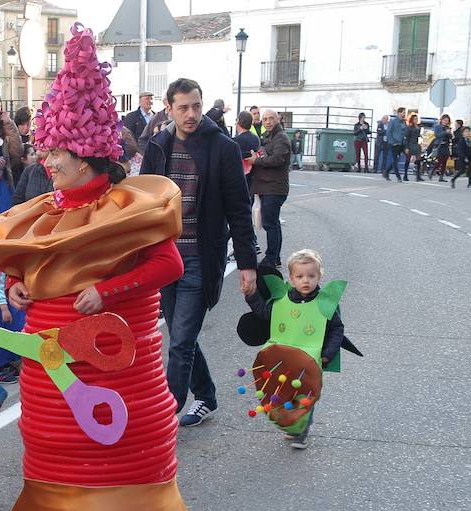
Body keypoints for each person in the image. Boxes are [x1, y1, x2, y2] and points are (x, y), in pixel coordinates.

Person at [0, 26, 200, 511]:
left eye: (56, 149)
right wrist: (16, 290)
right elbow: (21, 273)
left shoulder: (126, 207)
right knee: (52, 440)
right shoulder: (45, 209)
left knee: (104, 443)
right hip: (48, 356)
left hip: (113, 357)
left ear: (86, 155)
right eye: (47, 146)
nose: (46, 158)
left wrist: (108, 291)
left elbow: (169, 266)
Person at [141, 77, 257, 426]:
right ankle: (206, 396)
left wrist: (248, 264)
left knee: (179, 342)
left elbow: (239, 208)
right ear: (169, 108)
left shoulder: (223, 148)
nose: (190, 114)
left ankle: (165, 414)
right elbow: (144, 204)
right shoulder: (157, 146)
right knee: (181, 335)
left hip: (199, 258)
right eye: (183, 107)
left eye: (195, 106)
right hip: (164, 258)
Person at [243, 249, 345, 449]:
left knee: (306, 394)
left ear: (319, 276)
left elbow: (336, 329)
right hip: (284, 360)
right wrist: (251, 295)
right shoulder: (282, 302)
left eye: (311, 276)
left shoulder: (324, 303)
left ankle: (301, 431)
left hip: (311, 359)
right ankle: (292, 424)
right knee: (283, 392)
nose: (305, 281)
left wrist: (327, 355)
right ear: (291, 278)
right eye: (300, 276)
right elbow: (265, 314)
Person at [246, 109, 291, 270]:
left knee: (271, 224)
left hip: (275, 188)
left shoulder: (281, 138)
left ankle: (272, 257)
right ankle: (274, 256)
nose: (268, 121)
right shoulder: (269, 137)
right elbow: (264, 155)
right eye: (265, 119)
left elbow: (277, 159)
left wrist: (256, 161)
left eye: (271, 118)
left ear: (277, 119)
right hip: (267, 187)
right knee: (271, 223)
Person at [233, 111, 261, 256]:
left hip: (238, 182)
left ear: (238, 122)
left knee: (238, 215)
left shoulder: (235, 141)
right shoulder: (255, 139)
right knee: (245, 214)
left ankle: (250, 243)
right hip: (253, 180)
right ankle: (253, 242)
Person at [384, 107, 407, 182]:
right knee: (395, 159)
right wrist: (393, 141)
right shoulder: (393, 121)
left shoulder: (403, 122)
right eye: (403, 112)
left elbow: (404, 132)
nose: (404, 114)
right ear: (399, 113)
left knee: (396, 159)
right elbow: (388, 132)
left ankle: (386, 172)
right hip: (394, 143)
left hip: (401, 143)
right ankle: (398, 176)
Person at [433, 114, 453, 182]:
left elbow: (450, 137)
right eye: (445, 120)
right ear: (441, 120)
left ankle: (441, 177)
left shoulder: (448, 128)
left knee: (444, 162)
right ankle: (432, 170)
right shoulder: (437, 127)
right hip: (439, 145)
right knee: (440, 161)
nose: (446, 122)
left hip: (446, 146)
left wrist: (450, 134)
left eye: (447, 121)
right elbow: (437, 135)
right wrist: (445, 132)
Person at [403, 114, 423, 182]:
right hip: (410, 144)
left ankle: (418, 176)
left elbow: (419, 136)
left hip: (416, 144)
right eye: (415, 119)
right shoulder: (409, 127)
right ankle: (405, 175)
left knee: (419, 159)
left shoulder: (419, 127)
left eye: (417, 119)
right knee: (407, 160)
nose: (416, 120)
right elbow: (407, 138)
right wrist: (406, 147)